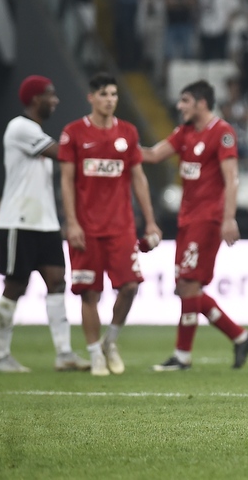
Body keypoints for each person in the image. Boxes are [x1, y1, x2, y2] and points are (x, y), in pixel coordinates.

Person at [141, 80, 248, 371]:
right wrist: (116, 145)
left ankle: (182, 356)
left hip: (208, 219)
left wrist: (229, 218)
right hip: (186, 219)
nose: (179, 106)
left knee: (189, 284)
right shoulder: (184, 133)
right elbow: (154, 155)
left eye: (184, 101)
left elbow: (231, 178)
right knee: (186, 288)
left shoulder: (222, 133)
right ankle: (240, 336)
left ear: (201, 103)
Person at [58, 73, 162, 376]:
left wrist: (151, 221)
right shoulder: (74, 133)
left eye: (114, 94)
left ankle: (110, 342)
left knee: (129, 287)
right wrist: (72, 223)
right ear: (91, 97)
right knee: (89, 293)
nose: (110, 99)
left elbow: (139, 179)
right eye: (104, 94)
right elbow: (66, 181)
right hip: (86, 229)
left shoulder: (127, 132)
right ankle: (95, 355)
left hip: (121, 227)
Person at [0, 75, 90, 373]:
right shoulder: (20, 128)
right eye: (50, 95)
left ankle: (64, 353)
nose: (56, 100)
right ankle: (1, 356)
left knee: (57, 281)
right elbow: (64, 154)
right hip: (18, 221)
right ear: (35, 99)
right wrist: (98, 146)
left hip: (45, 223)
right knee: (15, 285)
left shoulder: (36, 132)